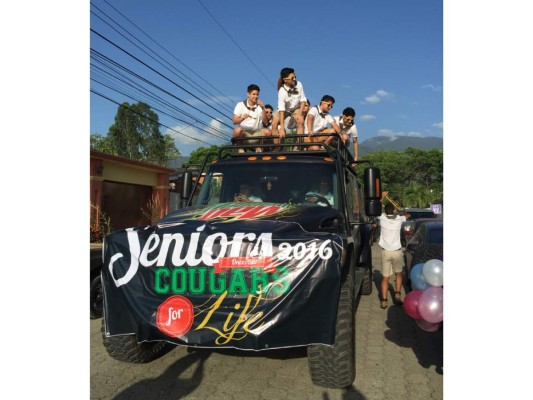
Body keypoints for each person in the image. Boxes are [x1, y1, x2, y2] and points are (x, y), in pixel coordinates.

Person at [375, 200, 410, 309]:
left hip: (385, 251)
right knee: (398, 274)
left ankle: (384, 301)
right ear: (394, 210)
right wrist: (400, 212)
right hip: (397, 252)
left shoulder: (382, 218)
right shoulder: (399, 219)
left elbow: (375, 208)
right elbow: (408, 215)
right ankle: (398, 295)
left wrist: (381, 198)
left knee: (385, 278)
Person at [271, 67, 308, 144]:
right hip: (285, 110)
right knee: (274, 123)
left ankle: (299, 147)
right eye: (292, 78)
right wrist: (281, 127)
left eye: (295, 76)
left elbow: (303, 100)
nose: (294, 79)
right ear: (285, 80)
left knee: (300, 122)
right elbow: (281, 109)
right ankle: (278, 146)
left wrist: (300, 115)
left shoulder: (299, 84)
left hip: (296, 108)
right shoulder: (282, 91)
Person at [232, 84, 271, 152]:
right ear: (248, 94)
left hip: (256, 133)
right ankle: (240, 148)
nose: (256, 96)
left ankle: (259, 147)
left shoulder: (260, 106)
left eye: (257, 94)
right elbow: (234, 121)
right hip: (244, 135)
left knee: (268, 132)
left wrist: (263, 109)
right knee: (237, 130)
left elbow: (265, 122)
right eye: (254, 94)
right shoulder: (240, 105)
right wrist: (242, 118)